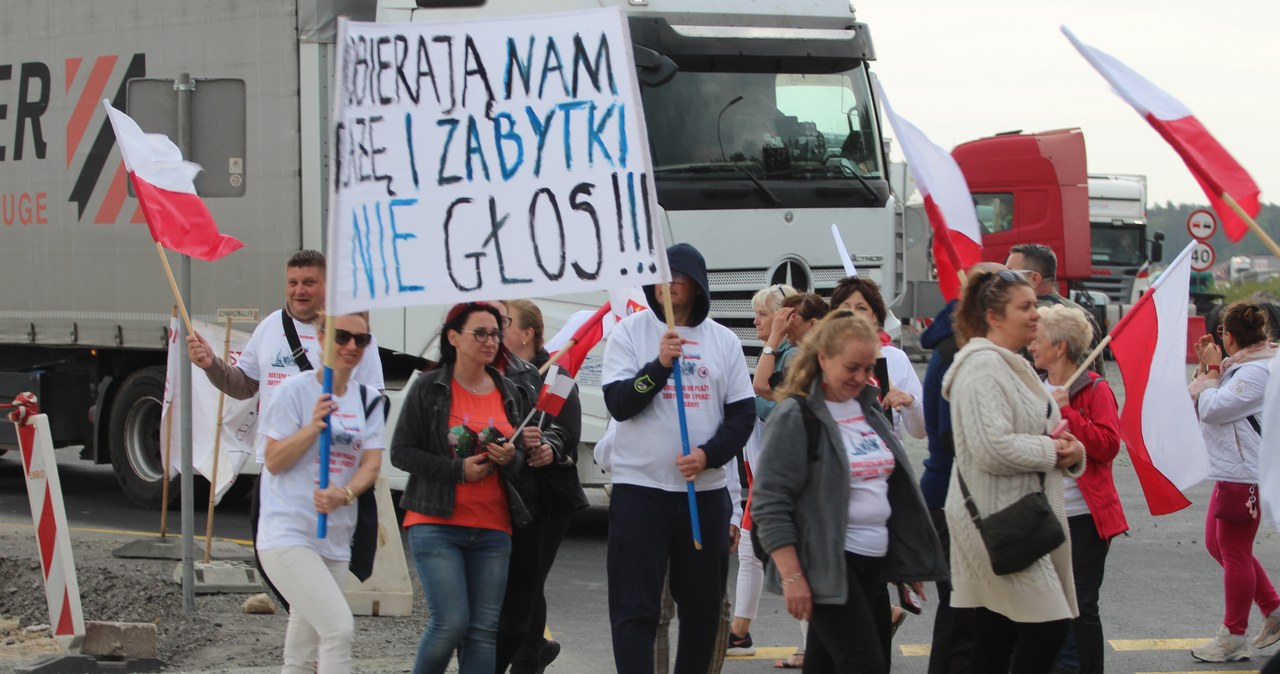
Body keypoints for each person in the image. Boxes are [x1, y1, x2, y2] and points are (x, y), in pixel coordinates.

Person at [187, 249, 385, 608]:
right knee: (271, 556)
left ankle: (309, 624)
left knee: (327, 565)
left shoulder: (352, 336)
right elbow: (244, 384)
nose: (299, 291)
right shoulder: (269, 328)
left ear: (327, 285)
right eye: (292, 283)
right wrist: (211, 365)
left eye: (309, 282)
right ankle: (307, 616)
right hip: (278, 464)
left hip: (330, 470)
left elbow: (374, 402)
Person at [751, 311, 946, 673]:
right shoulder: (797, 414)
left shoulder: (866, 406)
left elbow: (887, 488)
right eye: (851, 367)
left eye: (867, 367)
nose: (860, 377)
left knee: (832, 663)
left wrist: (904, 558)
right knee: (865, 664)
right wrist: (793, 577)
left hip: (872, 565)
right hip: (827, 563)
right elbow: (769, 502)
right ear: (823, 359)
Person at [601, 243, 755, 674]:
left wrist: (710, 455)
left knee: (704, 607)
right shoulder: (630, 332)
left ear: (698, 283)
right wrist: (660, 365)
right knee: (635, 608)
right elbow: (619, 402)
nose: (669, 284)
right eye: (662, 276)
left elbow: (742, 414)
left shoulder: (722, 340)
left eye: (679, 276)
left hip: (702, 496)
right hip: (640, 493)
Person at [943, 268, 1086, 674]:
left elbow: (1036, 433)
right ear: (994, 316)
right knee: (1047, 627)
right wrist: (1052, 451)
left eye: (1035, 305)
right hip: (998, 523)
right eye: (1024, 307)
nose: (1035, 315)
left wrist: (1072, 450)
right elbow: (992, 446)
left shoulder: (1011, 366)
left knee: (997, 634)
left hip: (1016, 518)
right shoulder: (982, 368)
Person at [390, 302, 542, 674]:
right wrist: (457, 470)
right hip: (435, 522)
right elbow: (401, 453)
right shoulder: (430, 387)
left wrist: (512, 456)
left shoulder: (510, 390)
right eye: (480, 333)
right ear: (454, 337)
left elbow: (520, 463)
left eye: (495, 332)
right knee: (451, 623)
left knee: (482, 632)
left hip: (493, 528)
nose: (491, 341)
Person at [256, 312, 385, 674]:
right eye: (342, 336)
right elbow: (274, 460)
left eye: (361, 340)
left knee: (303, 645)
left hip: (336, 537)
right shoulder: (294, 391)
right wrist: (312, 428)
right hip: (287, 534)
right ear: (321, 336)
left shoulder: (369, 401)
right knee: (338, 628)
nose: (351, 347)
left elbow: (371, 467)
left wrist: (344, 494)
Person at [1029, 305, 1128, 674]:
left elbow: (1107, 445)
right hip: (1041, 514)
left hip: (1085, 518)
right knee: (1045, 606)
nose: (1032, 346)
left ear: (1060, 347)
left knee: (1081, 606)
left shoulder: (1094, 388)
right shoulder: (1031, 385)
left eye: (1039, 340)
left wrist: (1069, 413)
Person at [495, 299, 587, 674]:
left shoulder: (558, 375)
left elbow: (567, 429)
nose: (499, 330)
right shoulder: (496, 371)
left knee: (529, 581)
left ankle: (529, 659)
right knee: (519, 581)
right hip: (512, 492)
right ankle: (534, 648)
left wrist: (547, 445)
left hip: (550, 496)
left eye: (507, 323)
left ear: (527, 333)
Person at [1188, 301, 1280, 662]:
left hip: (1245, 475)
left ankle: (1233, 636)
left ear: (1228, 336)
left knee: (1234, 552)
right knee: (1217, 545)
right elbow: (1199, 397)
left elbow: (1212, 408)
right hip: (1230, 470)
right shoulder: (1239, 365)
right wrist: (1207, 367)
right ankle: (1272, 609)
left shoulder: (1256, 371)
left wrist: (1211, 368)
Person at [730, 283, 797, 660]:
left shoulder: (790, 353)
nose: (755, 320)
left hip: (780, 470)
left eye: (763, 314)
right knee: (752, 550)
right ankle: (740, 632)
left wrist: (746, 398)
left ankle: (741, 633)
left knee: (780, 555)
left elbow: (778, 407)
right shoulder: (782, 352)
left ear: (784, 318)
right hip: (767, 467)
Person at [829, 276, 925, 440]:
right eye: (845, 307)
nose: (852, 313)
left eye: (861, 308)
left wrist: (910, 402)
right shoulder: (823, 357)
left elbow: (920, 431)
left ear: (875, 316)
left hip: (887, 458)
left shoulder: (895, 358)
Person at [1005, 243, 1104, 376]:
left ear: (1034, 278)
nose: (1004, 279)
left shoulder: (1027, 317)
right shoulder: (1082, 313)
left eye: (1010, 274)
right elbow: (1095, 374)